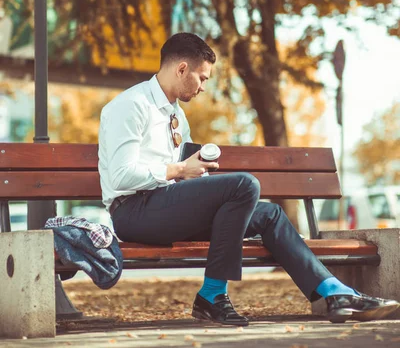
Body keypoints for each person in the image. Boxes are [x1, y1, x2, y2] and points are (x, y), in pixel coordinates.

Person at [98, 32, 399, 326]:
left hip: (164, 207)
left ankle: (334, 292)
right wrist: (179, 171)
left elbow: (180, 173)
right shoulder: (131, 105)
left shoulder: (176, 114)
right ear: (181, 69)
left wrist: (195, 170)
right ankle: (212, 295)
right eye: (202, 78)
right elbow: (123, 175)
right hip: (133, 212)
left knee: (269, 214)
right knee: (245, 184)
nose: (203, 87)